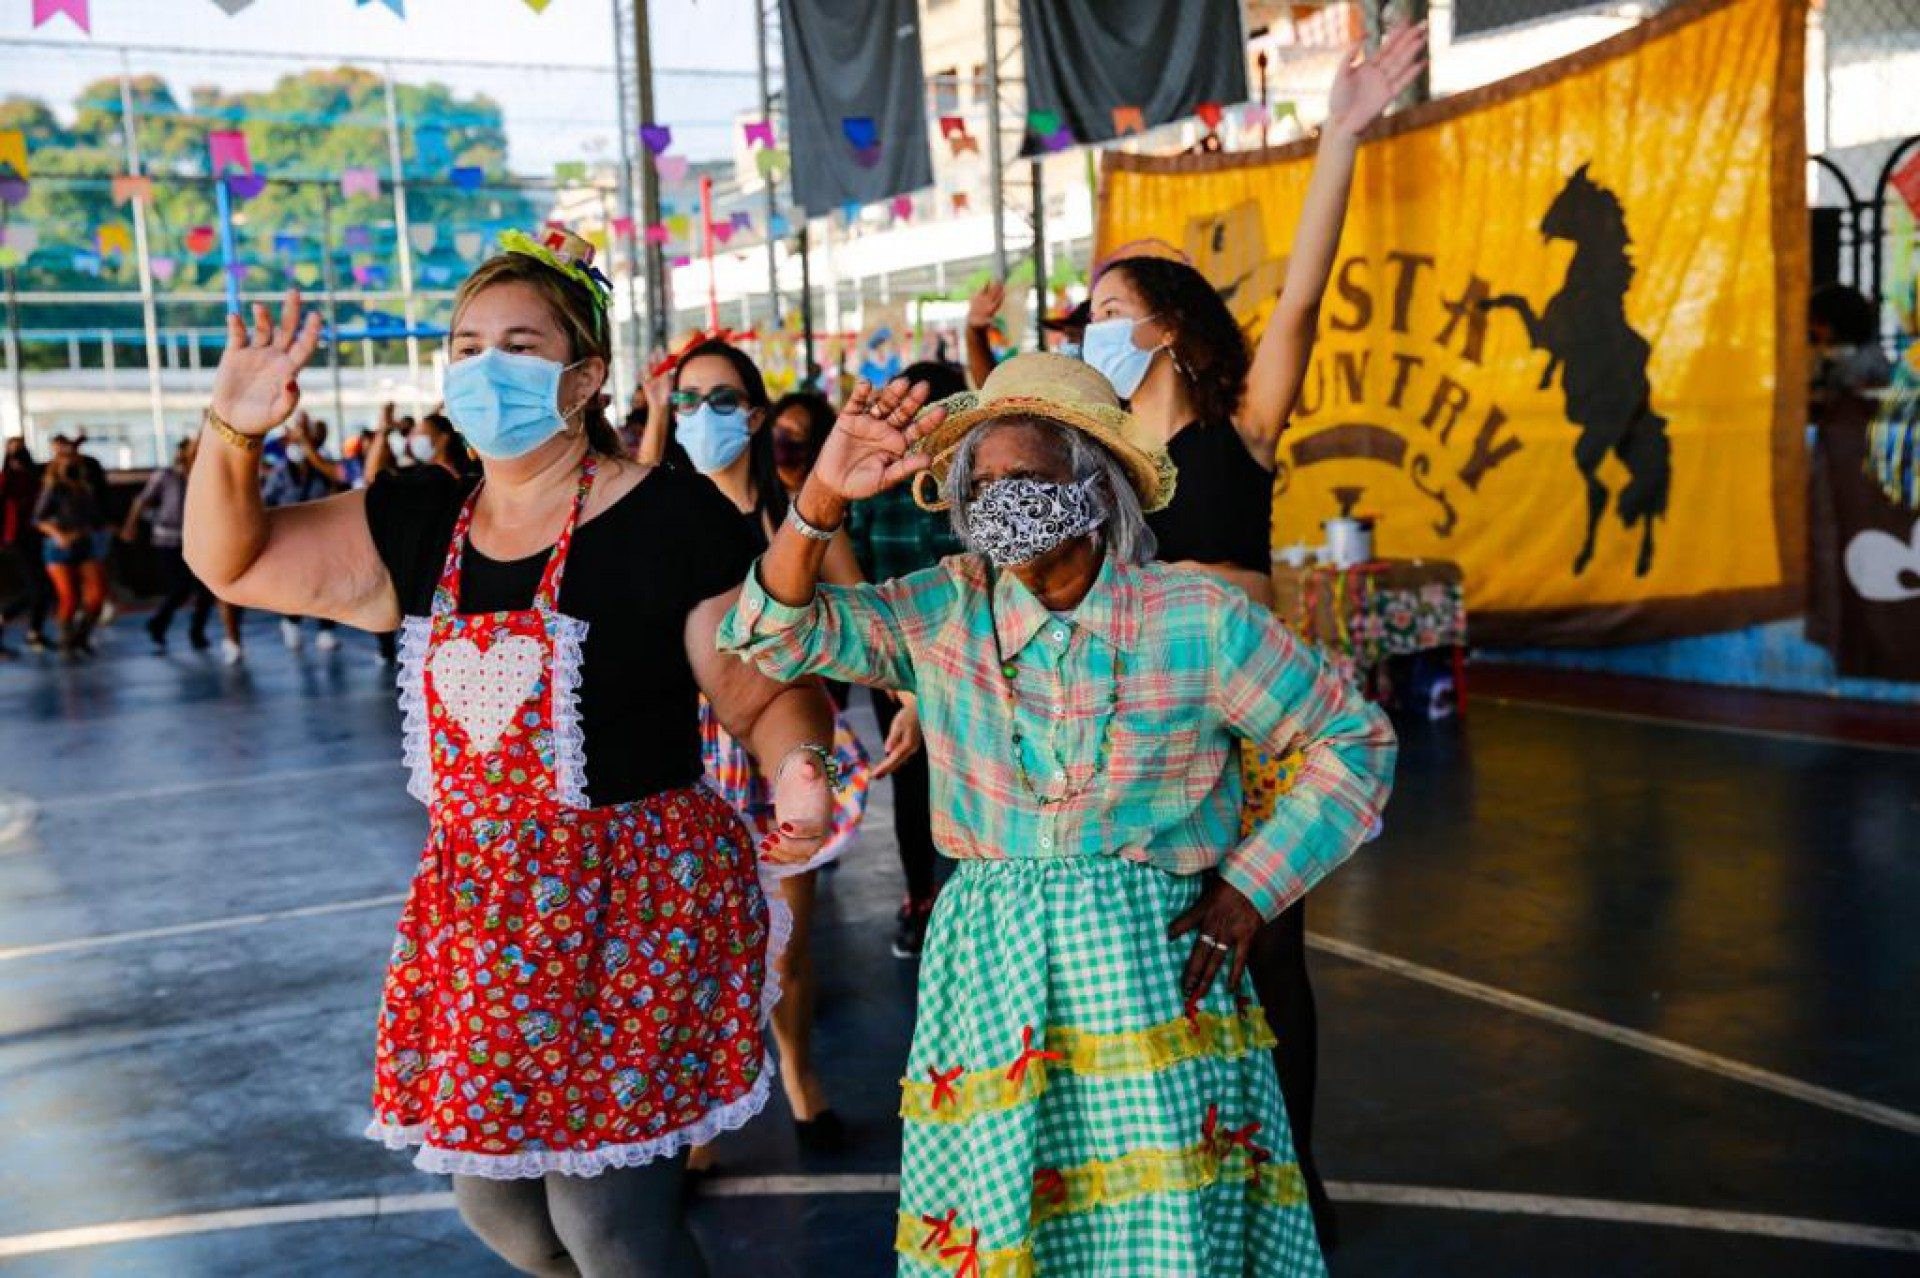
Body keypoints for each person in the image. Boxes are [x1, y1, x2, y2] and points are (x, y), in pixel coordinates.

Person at [183, 227, 836, 1276]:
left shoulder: (669, 518)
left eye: (520, 345)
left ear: (584, 376)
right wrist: (232, 431)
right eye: (467, 342)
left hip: (637, 908)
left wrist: (797, 768)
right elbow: (233, 560)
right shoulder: (418, 517)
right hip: (482, 911)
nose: (487, 366)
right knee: (497, 1206)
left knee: (611, 1224)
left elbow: (763, 696)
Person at [721, 355, 1395, 1276]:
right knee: (1009, 1236)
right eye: (983, 483)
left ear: (1093, 484)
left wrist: (1252, 890)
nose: (1000, 501)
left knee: (1162, 1236)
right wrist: (822, 499)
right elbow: (770, 633)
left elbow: (1354, 742)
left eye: (1027, 479)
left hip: (1156, 977)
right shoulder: (941, 610)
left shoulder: (1196, 616)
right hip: (989, 979)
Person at [1081, 25, 1425, 1246]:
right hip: (1148, 737)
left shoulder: (1244, 424)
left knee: (1268, 948)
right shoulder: (1089, 461)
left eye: (1110, 311)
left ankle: (1295, 1175)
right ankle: (1190, 1169)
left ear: (1168, 325)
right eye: (1085, 315)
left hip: (1259, 737)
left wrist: (1338, 131)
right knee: (1162, 959)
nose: (1092, 331)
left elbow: (1306, 283)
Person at [667, 338, 880, 1154]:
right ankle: (704, 1117)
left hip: (782, 754)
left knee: (785, 946)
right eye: (686, 400)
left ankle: (798, 1078)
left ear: (754, 414)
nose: (702, 416)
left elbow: (871, 618)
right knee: (692, 950)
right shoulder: (653, 516)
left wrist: (910, 701)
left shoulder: (798, 513)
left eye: (722, 400)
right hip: (683, 757)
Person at [845, 360, 966, 958]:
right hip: (894, 654)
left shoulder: (974, 479)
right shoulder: (881, 481)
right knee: (911, 779)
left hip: (971, 655)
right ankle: (921, 900)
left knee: (975, 773)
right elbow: (857, 564)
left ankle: (974, 901)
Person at [122, 437, 220, 653]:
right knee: (180, 588)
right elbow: (141, 500)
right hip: (168, 540)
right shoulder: (166, 476)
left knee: (206, 589)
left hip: (198, 540)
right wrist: (131, 525)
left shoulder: (205, 476)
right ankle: (158, 623)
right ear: (182, 452)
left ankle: (196, 632)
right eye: (193, 450)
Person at [260, 415, 345, 652]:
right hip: (290, 539)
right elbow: (266, 502)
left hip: (322, 536)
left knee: (327, 584)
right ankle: (291, 621)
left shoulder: (322, 469)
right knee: (297, 584)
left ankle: (326, 630)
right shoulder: (279, 473)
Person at [33, 452, 107, 657]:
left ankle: (80, 637)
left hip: (84, 545)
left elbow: (96, 519)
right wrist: (58, 534)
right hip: (58, 549)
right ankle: (66, 640)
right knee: (69, 597)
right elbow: (38, 519)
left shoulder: (84, 489)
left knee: (96, 595)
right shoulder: (53, 490)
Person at [1, 437, 51, 656]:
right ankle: (6, 617)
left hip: (35, 537)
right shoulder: (6, 480)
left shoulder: (35, 478)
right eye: (14, 457)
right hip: (17, 539)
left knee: (43, 588)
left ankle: (35, 631)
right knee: (37, 588)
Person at [766, 390, 836, 497]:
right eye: (778, 428)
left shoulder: (832, 499)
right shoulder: (758, 491)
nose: (780, 436)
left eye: (794, 432)